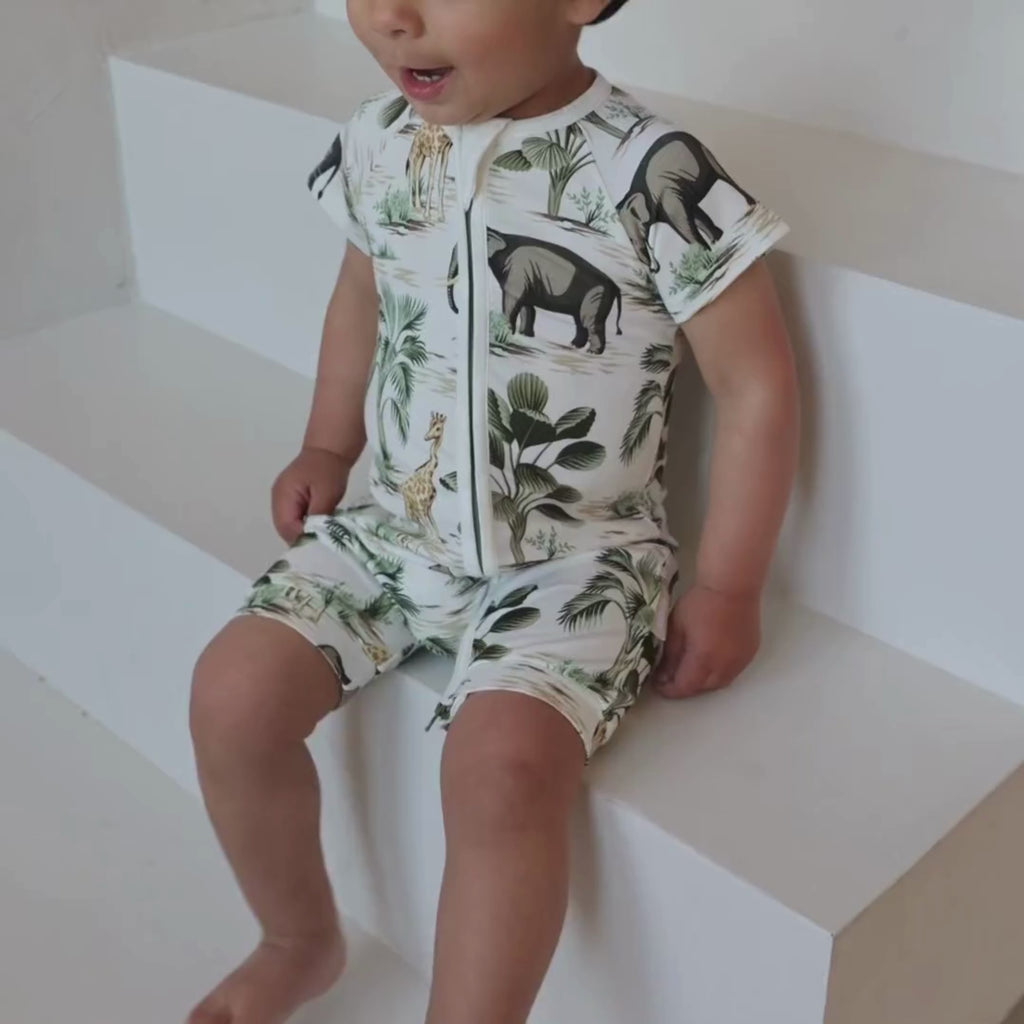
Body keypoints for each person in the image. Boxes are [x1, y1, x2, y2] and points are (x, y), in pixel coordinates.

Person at [187, 0, 800, 1021]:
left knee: (503, 774)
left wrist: (731, 584)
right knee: (231, 693)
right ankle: (297, 940)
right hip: (401, 527)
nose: (391, 18)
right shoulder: (378, 140)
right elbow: (361, 294)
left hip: (580, 559)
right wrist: (329, 444)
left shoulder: (645, 169)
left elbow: (756, 384)